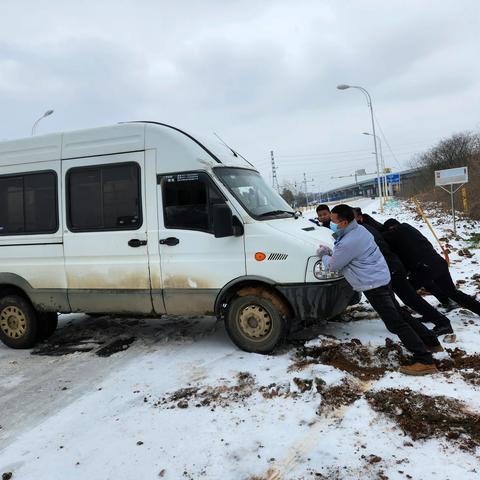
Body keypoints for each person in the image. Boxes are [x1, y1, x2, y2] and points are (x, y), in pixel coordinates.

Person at [317, 204, 441, 376]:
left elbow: (333, 265)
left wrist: (324, 254)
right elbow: (347, 254)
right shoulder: (360, 231)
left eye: (333, 220)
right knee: (400, 314)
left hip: (372, 285)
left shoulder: (349, 241)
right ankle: (431, 342)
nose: (331, 223)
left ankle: (424, 359)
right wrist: (334, 252)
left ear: (344, 222)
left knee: (395, 323)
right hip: (381, 278)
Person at [353, 208, 453, 334]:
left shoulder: (365, 230)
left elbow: (386, 246)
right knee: (410, 298)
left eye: (340, 222)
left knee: (411, 298)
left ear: (357, 218)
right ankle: (434, 317)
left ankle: (442, 322)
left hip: (392, 267)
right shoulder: (365, 228)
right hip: (390, 268)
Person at [383, 218, 480, 323]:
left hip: (426, 268)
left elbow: (384, 237)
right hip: (439, 263)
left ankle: (430, 315)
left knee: (408, 291)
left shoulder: (399, 231)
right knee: (453, 292)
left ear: (392, 228)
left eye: (390, 230)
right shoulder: (410, 230)